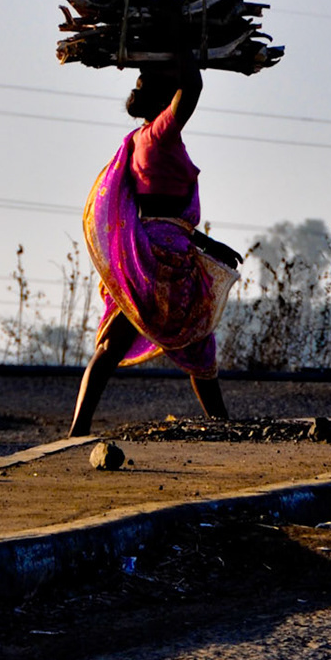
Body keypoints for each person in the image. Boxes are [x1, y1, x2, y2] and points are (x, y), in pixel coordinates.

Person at [68, 39, 240, 436]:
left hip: (143, 254)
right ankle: (222, 425)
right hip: (166, 258)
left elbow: (160, 214)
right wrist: (184, 42)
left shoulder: (139, 143)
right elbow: (193, 88)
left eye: (144, 81)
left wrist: (210, 246)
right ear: (170, 101)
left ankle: (78, 430)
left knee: (111, 346)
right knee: (197, 342)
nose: (137, 85)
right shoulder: (161, 133)